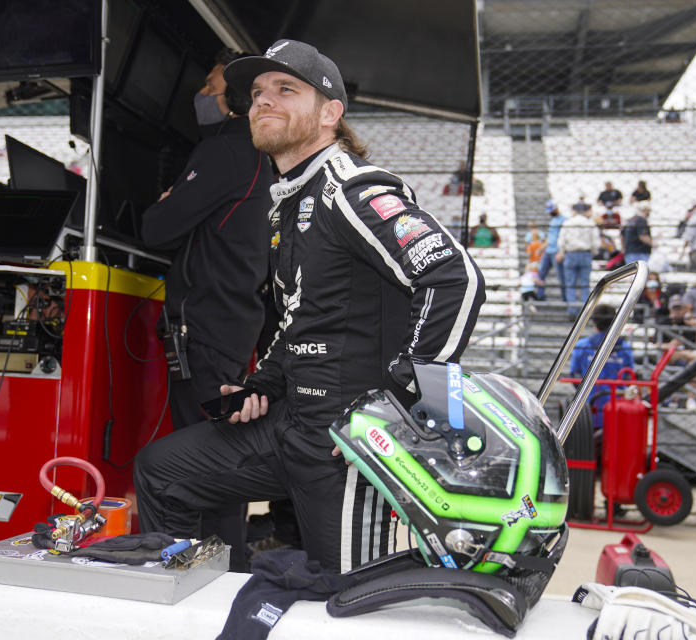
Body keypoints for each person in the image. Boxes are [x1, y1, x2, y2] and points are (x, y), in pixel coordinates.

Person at [134, 39, 485, 573]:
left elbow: (454, 278)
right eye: (255, 93)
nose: (263, 102)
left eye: (285, 90)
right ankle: (197, 610)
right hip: (295, 423)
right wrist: (263, 385)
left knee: (338, 596)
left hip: (348, 438)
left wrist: (395, 409)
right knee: (162, 471)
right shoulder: (289, 201)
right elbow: (302, 314)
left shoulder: (354, 190)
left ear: (330, 114)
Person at [140, 49, 274, 571]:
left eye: (212, 86)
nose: (204, 95)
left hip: (206, 331)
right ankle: (223, 571)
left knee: (202, 467)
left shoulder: (227, 149)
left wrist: (172, 202)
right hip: (235, 328)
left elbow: (156, 228)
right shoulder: (264, 155)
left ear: (239, 99)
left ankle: (211, 576)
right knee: (221, 459)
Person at [569, 304, 634, 427]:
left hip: (588, 407)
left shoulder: (582, 345)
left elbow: (574, 375)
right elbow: (628, 377)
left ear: (593, 321)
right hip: (616, 408)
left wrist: (584, 392)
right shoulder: (625, 348)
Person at [557, 201, 601, 318]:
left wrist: (562, 251)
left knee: (570, 284)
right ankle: (584, 310)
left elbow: (561, 241)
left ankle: (572, 310)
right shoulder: (590, 223)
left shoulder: (568, 223)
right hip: (585, 253)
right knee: (585, 284)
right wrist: (593, 253)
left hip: (571, 253)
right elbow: (596, 242)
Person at [537, 200, 566, 301]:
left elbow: (563, 237)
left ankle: (565, 298)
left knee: (561, 275)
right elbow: (550, 238)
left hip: (556, 251)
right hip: (548, 251)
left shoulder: (564, 220)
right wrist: (541, 249)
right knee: (541, 273)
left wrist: (561, 251)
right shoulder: (553, 221)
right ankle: (540, 295)